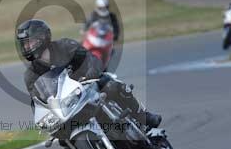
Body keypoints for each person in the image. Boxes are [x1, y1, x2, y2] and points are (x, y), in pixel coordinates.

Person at [16, 19, 161, 131]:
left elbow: (89, 58)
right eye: (24, 44)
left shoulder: (65, 46)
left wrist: (91, 72)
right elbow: (37, 101)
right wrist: (42, 119)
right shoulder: (30, 75)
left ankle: (143, 116)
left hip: (87, 86)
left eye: (30, 42)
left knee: (110, 84)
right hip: (67, 107)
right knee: (62, 138)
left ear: (43, 37)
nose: (27, 47)